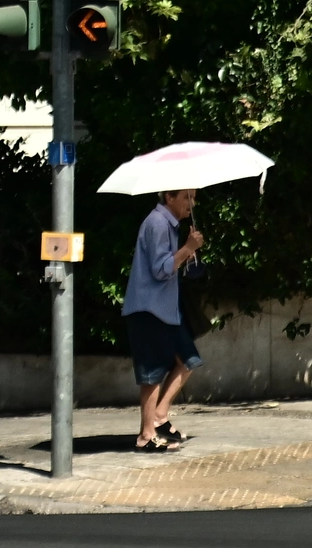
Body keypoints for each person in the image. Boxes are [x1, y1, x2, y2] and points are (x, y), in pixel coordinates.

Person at [121, 189, 206, 451]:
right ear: (169, 198)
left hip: (166, 309)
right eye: (186, 197)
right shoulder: (157, 223)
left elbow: (167, 264)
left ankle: (158, 417)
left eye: (193, 197)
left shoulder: (169, 224)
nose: (191, 204)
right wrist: (187, 249)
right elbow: (160, 270)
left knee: (188, 359)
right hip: (149, 309)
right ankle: (146, 435)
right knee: (152, 373)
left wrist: (185, 254)